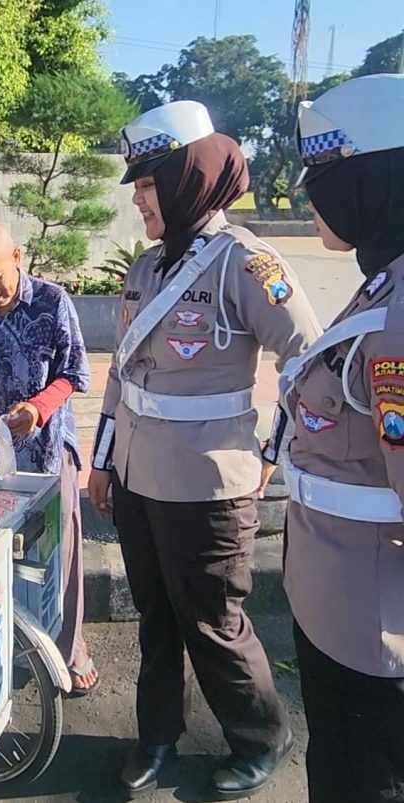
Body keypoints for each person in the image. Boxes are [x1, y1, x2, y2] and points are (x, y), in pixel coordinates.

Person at [87, 100, 322, 799]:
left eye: (149, 181)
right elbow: (120, 375)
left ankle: (261, 735)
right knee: (154, 616)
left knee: (214, 623)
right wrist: (102, 460)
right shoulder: (145, 267)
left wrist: (272, 450)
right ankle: (157, 735)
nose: (136, 196)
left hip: (209, 486)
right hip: (135, 477)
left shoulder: (248, 264)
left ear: (189, 178)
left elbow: (309, 361)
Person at [272, 73, 404, 803]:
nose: (310, 195)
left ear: (378, 178)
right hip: (341, 610)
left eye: (325, 176)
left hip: (372, 634)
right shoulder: (382, 281)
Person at [0, 215, 98, 695]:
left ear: (16, 256)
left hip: (49, 451)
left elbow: (75, 373)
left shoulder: (52, 302)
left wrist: (39, 407)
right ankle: (5, 644)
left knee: (59, 554)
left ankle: (71, 649)